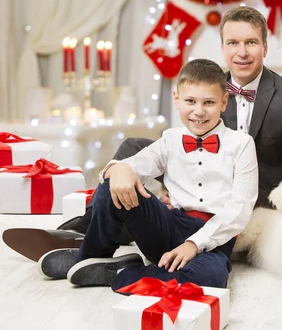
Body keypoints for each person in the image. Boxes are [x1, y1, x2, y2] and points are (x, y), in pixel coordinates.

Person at [3, 6, 282, 262]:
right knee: (132, 148)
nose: (242, 52)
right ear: (224, 47)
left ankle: (99, 233)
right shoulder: (211, 85)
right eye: (233, 43)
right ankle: (89, 228)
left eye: (251, 43)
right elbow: (184, 142)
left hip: (252, 193)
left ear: (265, 47)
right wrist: (181, 180)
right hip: (211, 174)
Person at [37, 59, 259, 290]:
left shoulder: (242, 144)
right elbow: (137, 163)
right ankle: (91, 257)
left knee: (210, 279)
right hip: (169, 225)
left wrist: (194, 244)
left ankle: (119, 271)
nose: (199, 111)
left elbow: (239, 210)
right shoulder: (170, 139)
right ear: (177, 99)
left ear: (224, 102)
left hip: (214, 238)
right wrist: (120, 168)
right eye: (190, 101)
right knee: (111, 186)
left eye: (209, 102)